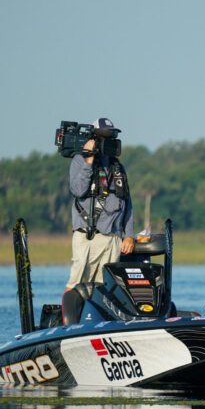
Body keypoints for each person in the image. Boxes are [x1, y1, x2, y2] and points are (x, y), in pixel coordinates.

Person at [63, 117, 135, 323]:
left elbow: (127, 203)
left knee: (106, 285)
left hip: (113, 237)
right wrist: (88, 161)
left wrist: (129, 235)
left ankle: (97, 323)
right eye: (104, 137)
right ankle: (69, 324)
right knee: (77, 281)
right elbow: (78, 190)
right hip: (88, 235)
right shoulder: (79, 160)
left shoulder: (117, 167)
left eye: (111, 136)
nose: (108, 141)